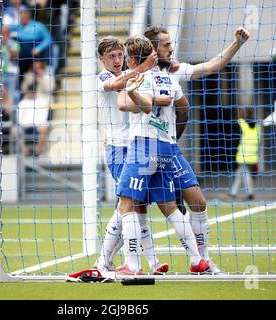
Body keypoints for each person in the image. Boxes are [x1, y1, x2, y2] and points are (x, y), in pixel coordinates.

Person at [143, 25, 250, 272]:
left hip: (169, 148)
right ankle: (122, 261)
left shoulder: (174, 72)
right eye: (166, 44)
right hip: (143, 148)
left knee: (198, 201)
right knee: (134, 207)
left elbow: (212, 65)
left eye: (171, 44)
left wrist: (238, 44)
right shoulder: (136, 75)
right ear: (152, 48)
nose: (172, 48)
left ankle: (203, 260)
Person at [115, 36, 209, 274]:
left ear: (133, 59)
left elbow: (145, 106)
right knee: (169, 207)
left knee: (127, 203)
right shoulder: (168, 78)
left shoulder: (139, 77)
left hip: (144, 145)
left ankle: (133, 266)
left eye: (126, 57)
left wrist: (134, 92)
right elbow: (183, 107)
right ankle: (197, 260)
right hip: (166, 146)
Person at [95, 37, 172, 274]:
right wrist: (143, 67)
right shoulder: (103, 78)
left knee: (137, 207)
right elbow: (115, 85)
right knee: (126, 204)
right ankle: (105, 261)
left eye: (120, 55)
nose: (117, 60)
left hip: (138, 147)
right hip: (118, 149)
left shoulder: (132, 74)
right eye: (111, 56)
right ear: (102, 60)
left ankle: (152, 263)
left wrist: (166, 65)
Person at [221, 108, 260, 201]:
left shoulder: (243, 124)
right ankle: (233, 193)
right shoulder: (257, 127)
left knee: (245, 175)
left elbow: (239, 120)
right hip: (252, 156)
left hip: (243, 156)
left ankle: (249, 193)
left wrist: (240, 114)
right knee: (240, 174)